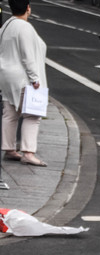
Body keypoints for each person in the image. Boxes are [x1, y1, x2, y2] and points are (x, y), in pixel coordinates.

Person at [0, 0, 48, 167]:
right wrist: (35, 79)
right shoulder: (25, 27)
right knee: (32, 115)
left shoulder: (7, 25)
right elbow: (27, 56)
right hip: (22, 77)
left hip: (6, 75)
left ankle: (9, 149)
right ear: (28, 8)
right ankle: (28, 152)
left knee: (10, 113)